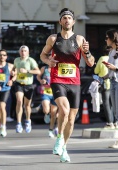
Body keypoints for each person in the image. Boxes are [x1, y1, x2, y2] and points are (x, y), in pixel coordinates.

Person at [40, 8, 95, 162]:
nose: (66, 20)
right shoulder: (53, 39)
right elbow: (43, 55)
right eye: (64, 18)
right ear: (60, 22)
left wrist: (88, 52)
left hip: (74, 83)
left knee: (71, 119)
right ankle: (58, 139)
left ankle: (64, 147)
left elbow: (90, 62)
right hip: (58, 80)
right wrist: (48, 61)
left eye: (69, 18)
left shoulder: (79, 40)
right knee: (63, 110)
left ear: (73, 21)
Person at [14, 45, 40, 133]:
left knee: (27, 105)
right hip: (19, 84)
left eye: (25, 51)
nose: (23, 52)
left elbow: (38, 71)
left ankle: (28, 121)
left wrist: (27, 71)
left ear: (28, 52)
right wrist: (13, 72)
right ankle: (18, 123)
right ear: (19, 52)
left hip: (28, 85)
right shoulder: (16, 60)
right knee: (19, 101)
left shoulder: (31, 60)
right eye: (22, 51)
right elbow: (14, 69)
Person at [0, 49, 16, 137]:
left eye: (4, 55)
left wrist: (11, 80)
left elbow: (16, 74)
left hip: (6, 88)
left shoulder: (10, 66)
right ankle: (1, 125)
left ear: (6, 57)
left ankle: (3, 126)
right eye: (0, 55)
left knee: (2, 106)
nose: (2, 57)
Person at [94, 46, 117, 129]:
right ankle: (116, 122)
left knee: (106, 104)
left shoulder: (102, 59)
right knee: (114, 103)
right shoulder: (114, 58)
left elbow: (96, 71)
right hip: (114, 83)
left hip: (105, 84)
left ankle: (110, 123)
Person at [37, 65, 58, 138]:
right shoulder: (44, 68)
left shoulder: (58, 67)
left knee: (54, 114)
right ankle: (46, 114)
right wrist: (41, 81)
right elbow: (38, 76)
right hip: (45, 92)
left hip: (55, 93)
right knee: (46, 110)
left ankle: (52, 130)